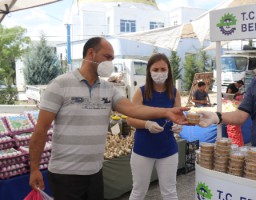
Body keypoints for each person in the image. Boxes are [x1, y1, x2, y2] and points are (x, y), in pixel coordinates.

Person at [28, 37, 189, 200]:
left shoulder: (108, 89)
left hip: (95, 172)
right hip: (66, 173)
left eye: (112, 58)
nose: (111, 63)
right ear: (91, 53)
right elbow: (40, 130)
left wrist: (166, 113)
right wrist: (34, 168)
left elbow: (133, 109)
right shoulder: (60, 85)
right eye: (107, 57)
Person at [127, 53, 182, 200]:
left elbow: (179, 116)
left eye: (163, 69)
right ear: (149, 71)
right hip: (143, 149)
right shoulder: (141, 92)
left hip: (168, 149)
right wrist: (146, 124)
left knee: (170, 192)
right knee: (139, 191)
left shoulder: (174, 93)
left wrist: (178, 125)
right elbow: (130, 119)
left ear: (169, 71)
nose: (159, 73)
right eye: (155, 69)